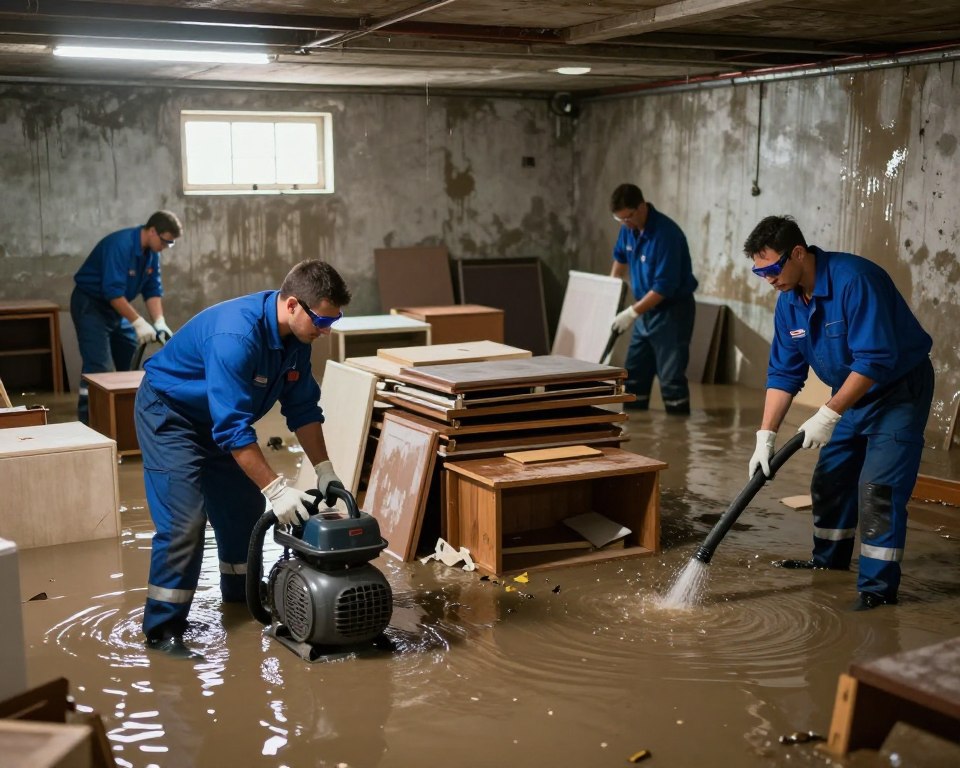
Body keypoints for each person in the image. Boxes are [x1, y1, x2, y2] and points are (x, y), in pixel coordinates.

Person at [134, 259, 351, 657]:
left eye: (333, 322)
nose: (326, 331)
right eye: (322, 320)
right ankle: (163, 630)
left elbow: (302, 408)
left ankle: (242, 594)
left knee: (243, 510)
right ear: (292, 305)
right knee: (185, 523)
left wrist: (324, 469)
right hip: (172, 417)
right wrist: (277, 489)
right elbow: (233, 430)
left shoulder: (296, 341)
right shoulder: (236, 336)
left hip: (220, 419)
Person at [744, 215, 934, 611]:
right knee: (830, 479)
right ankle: (829, 562)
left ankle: (877, 591)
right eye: (759, 273)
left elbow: (875, 359)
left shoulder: (855, 281)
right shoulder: (789, 303)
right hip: (849, 393)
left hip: (897, 391)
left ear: (798, 253)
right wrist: (766, 436)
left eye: (772, 269)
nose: (768, 280)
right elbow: (784, 373)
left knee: (878, 491)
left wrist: (828, 414)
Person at [71, 211, 182, 423]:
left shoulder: (152, 253)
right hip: (91, 306)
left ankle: (122, 417)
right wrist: (138, 322)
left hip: (114, 309)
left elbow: (152, 289)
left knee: (129, 349)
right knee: (99, 369)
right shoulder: (120, 246)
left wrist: (159, 322)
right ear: (152, 231)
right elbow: (112, 293)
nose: (166, 247)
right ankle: (90, 421)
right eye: (166, 241)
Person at [608, 183, 698, 415]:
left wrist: (631, 313)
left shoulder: (667, 235)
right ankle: (636, 425)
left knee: (670, 378)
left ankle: (678, 427)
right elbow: (620, 258)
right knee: (634, 374)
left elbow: (663, 287)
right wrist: (610, 292)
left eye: (627, 217)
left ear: (641, 207)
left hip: (672, 312)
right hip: (644, 312)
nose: (625, 223)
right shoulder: (628, 229)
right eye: (620, 220)